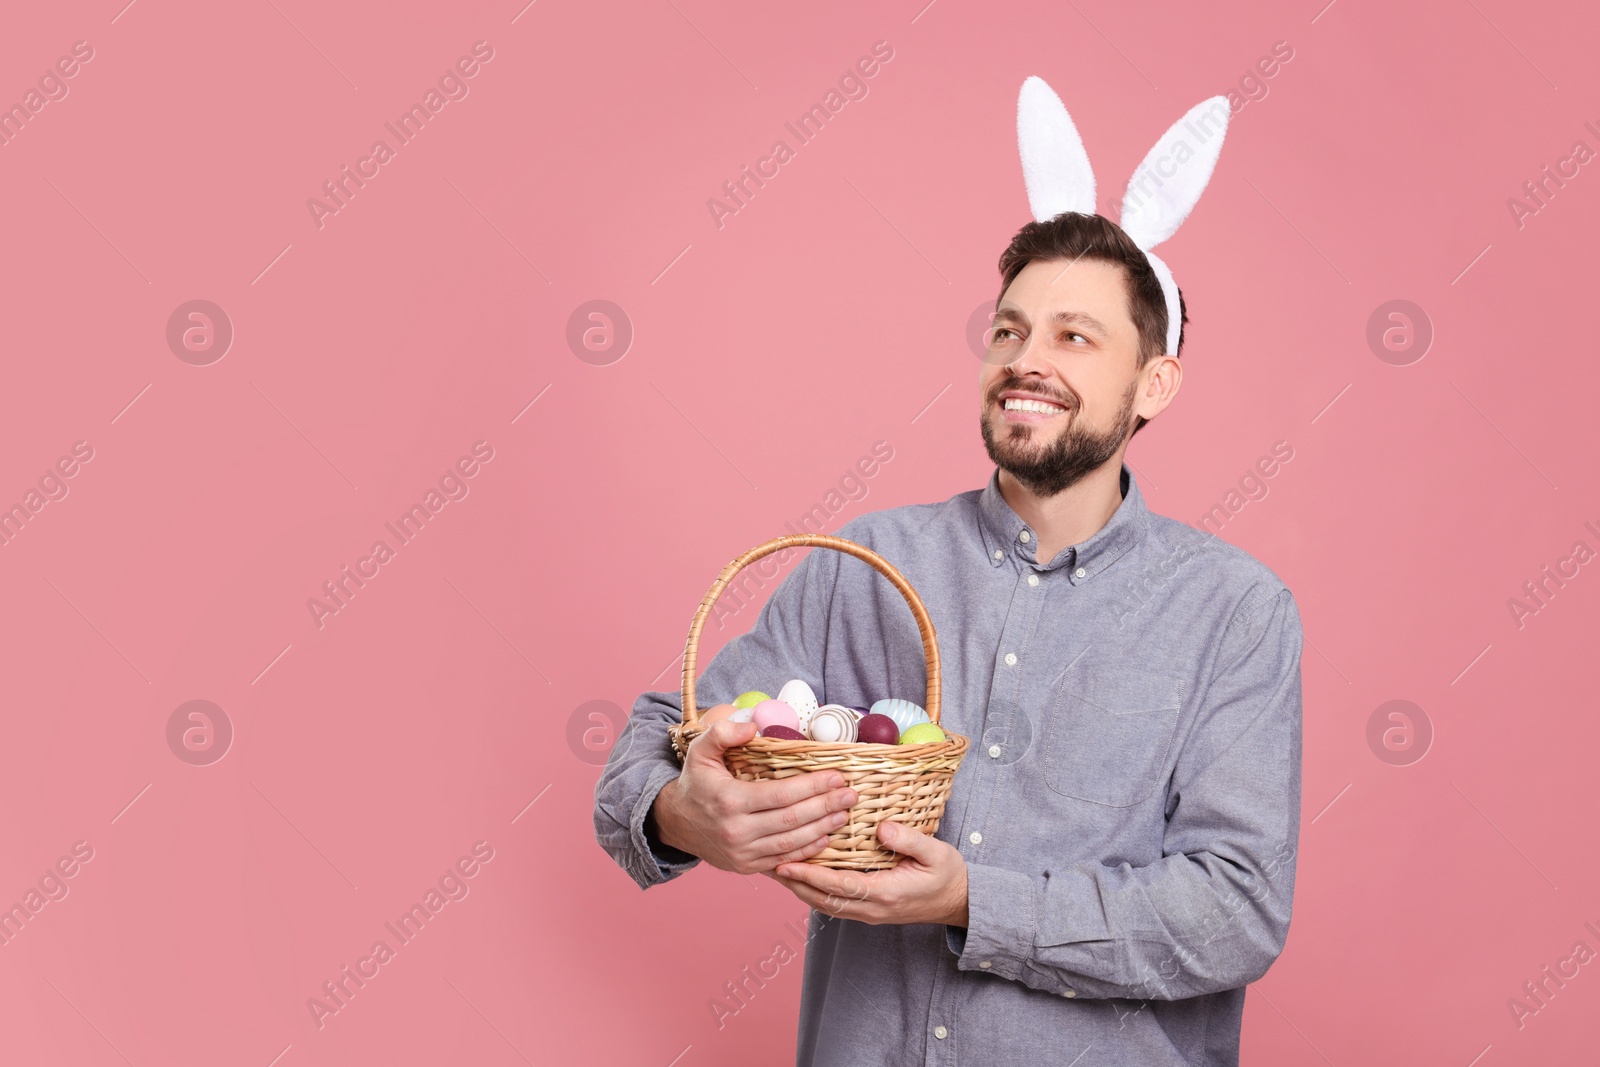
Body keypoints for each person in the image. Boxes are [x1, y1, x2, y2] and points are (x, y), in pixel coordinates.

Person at [593, 207, 1303, 1066]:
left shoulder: (1234, 612)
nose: (1025, 361)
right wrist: (683, 815)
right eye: (1009, 330)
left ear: (1154, 383)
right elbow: (659, 736)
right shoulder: (865, 565)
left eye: (1075, 336)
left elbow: (1236, 912)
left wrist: (976, 902)